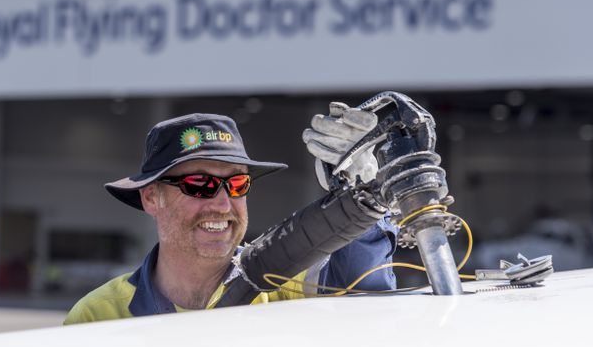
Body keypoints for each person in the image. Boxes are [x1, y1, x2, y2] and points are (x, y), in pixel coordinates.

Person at [63, 108, 396, 325]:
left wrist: (363, 194)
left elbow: (367, 304)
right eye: (200, 185)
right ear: (152, 197)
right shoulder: (98, 316)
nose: (223, 205)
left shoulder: (287, 287)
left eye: (237, 184)